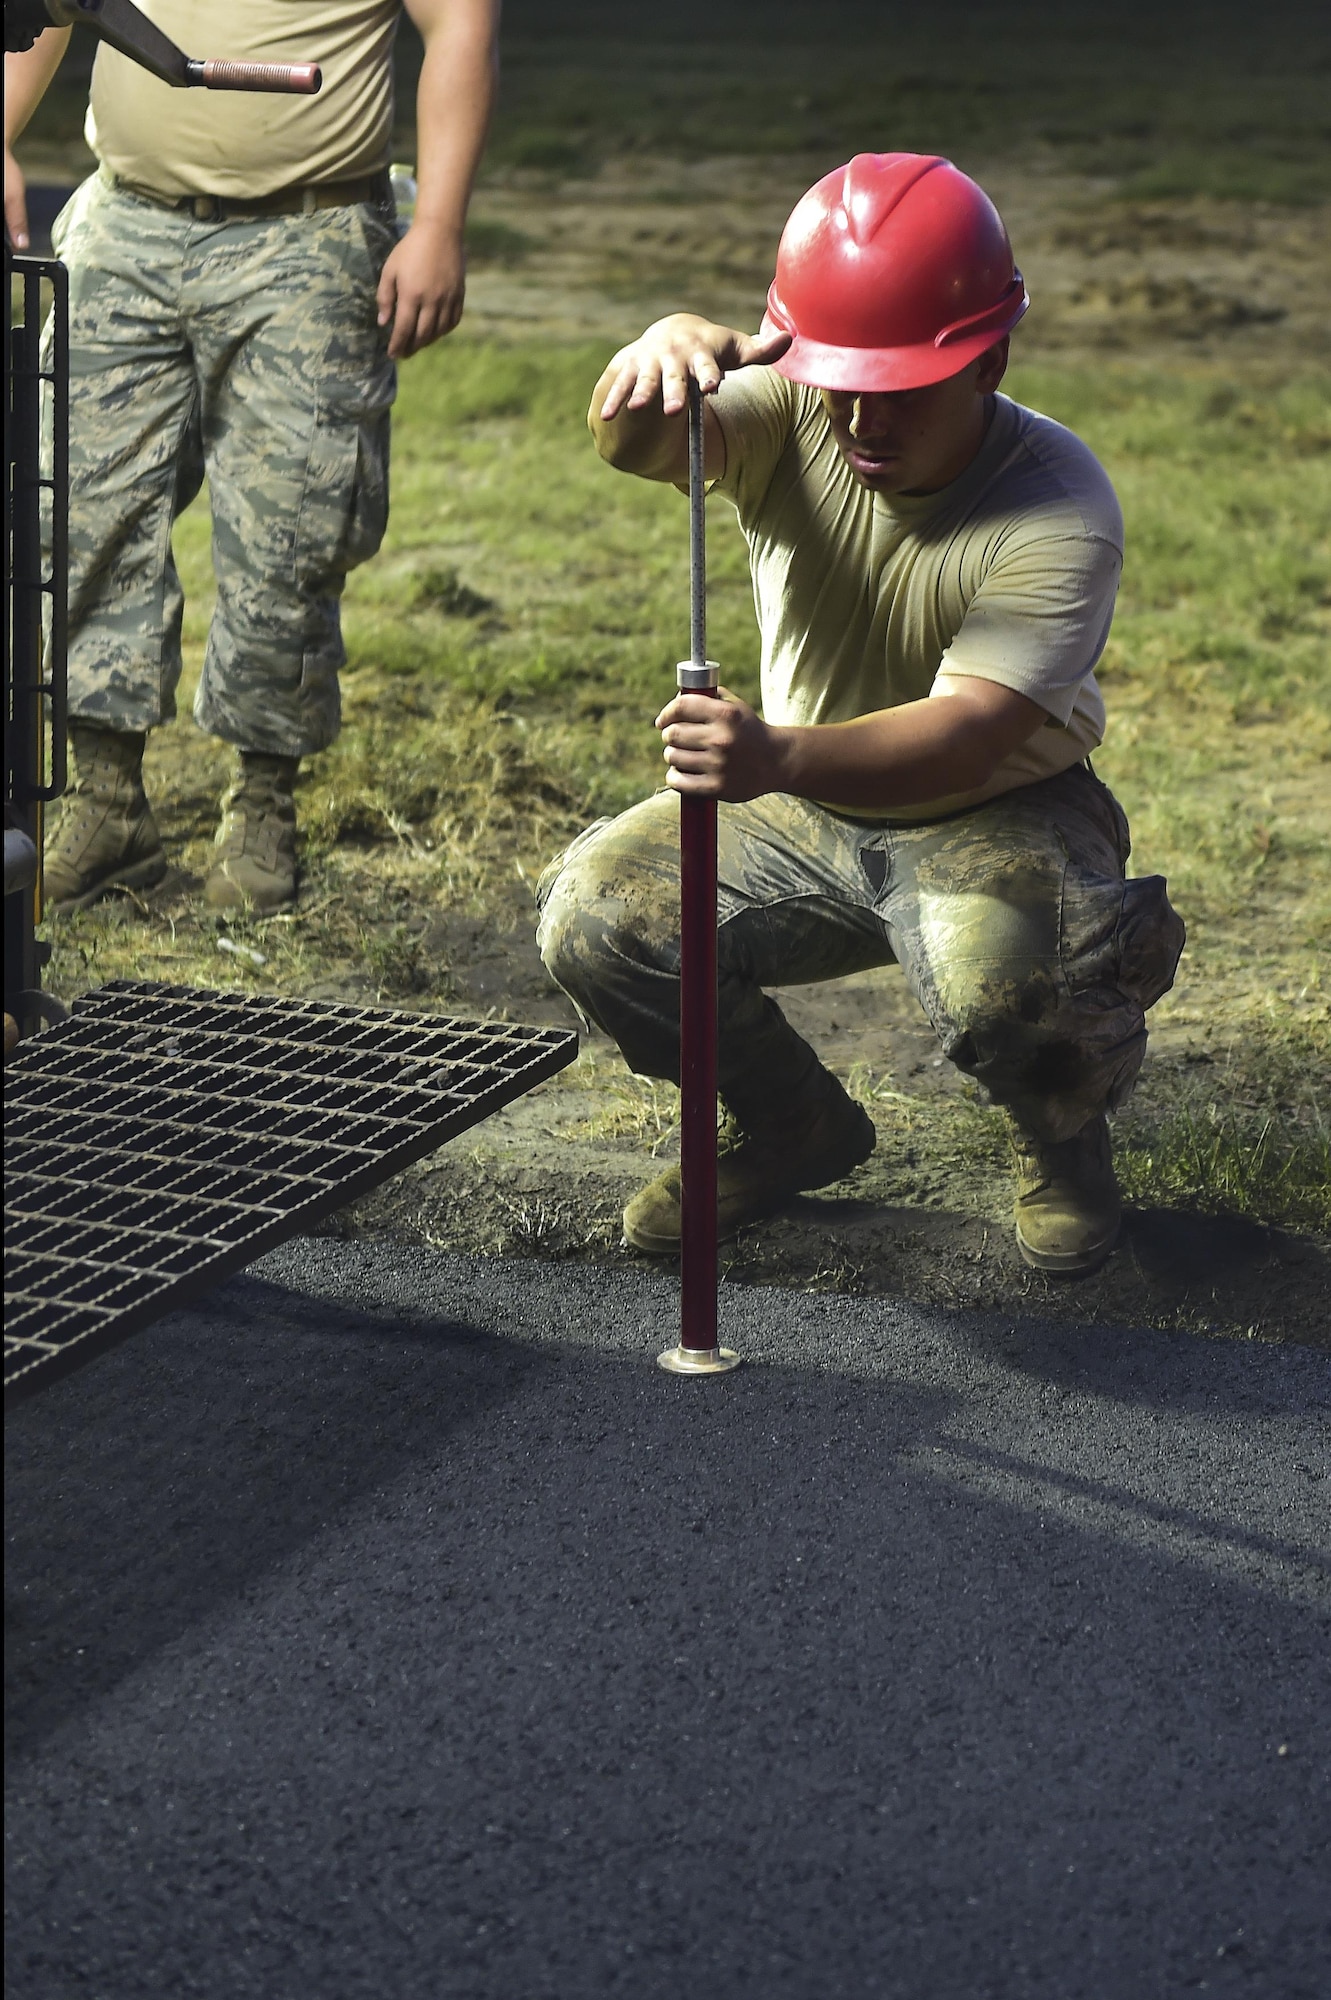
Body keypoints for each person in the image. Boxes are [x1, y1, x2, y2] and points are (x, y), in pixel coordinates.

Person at [537, 152, 1186, 1277]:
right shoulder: (800, 406)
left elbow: (970, 731)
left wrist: (774, 750)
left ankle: (1063, 1142)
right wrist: (652, 356)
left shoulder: (1057, 506)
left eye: (898, 387)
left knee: (1017, 989)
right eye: (839, 379)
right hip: (796, 805)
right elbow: (640, 443)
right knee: (598, 922)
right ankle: (795, 1126)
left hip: (992, 807)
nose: (859, 419)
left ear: (986, 361)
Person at [3, 0, 500, 913]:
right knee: (77, 504)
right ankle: (107, 805)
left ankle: (263, 805)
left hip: (309, 235)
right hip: (126, 221)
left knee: (293, 527)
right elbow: (48, 8)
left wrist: (439, 225)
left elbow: (460, 27)